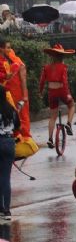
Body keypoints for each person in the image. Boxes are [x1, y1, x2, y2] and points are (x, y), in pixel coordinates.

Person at [39, 44, 76, 148]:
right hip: (62, 90)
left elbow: (42, 82)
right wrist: (68, 94)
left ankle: (50, 139)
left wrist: (40, 92)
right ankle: (69, 124)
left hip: (52, 92)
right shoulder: (63, 67)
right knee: (72, 105)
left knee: (52, 116)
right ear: (62, 56)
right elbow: (65, 81)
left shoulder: (46, 67)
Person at [0, 41, 29, 138]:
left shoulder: (14, 62)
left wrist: (24, 96)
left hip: (12, 93)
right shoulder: (6, 61)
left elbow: (23, 79)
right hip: (7, 92)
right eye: (7, 48)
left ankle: (19, 137)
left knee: (16, 115)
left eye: (9, 48)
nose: (8, 50)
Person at [0, 85, 16, 221]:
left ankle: (0, 207)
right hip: (10, 143)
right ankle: (7, 210)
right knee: (6, 177)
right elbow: (17, 125)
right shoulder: (11, 109)